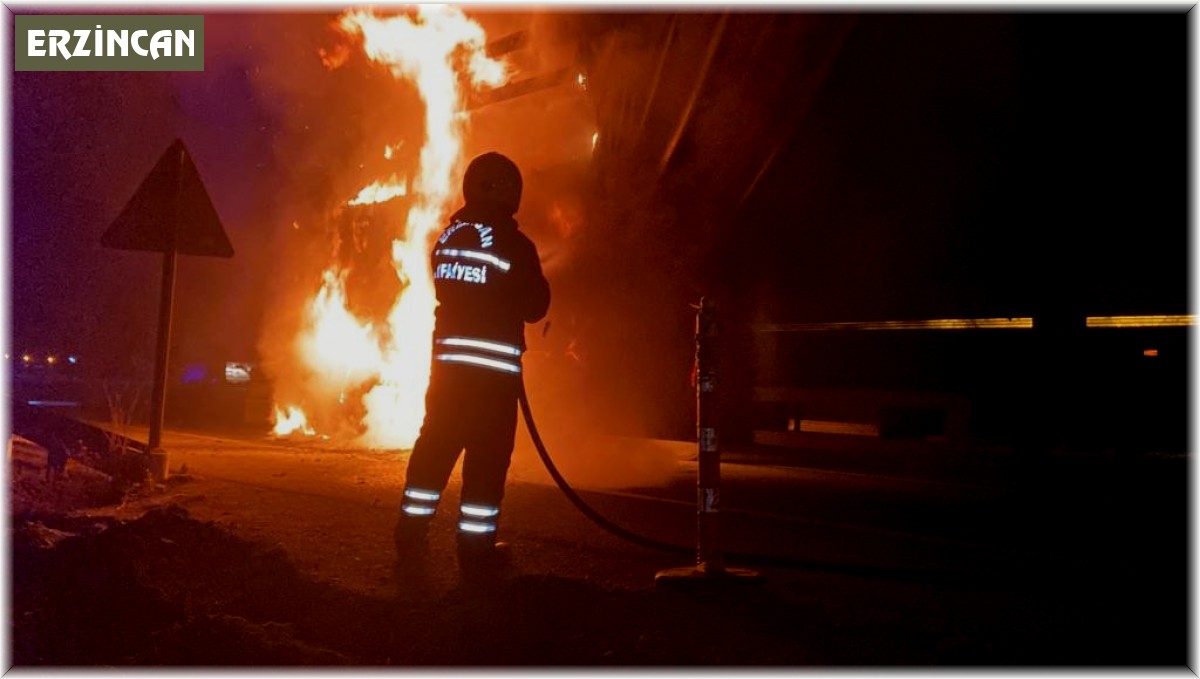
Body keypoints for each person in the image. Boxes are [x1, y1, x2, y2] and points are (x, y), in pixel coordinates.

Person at [396, 152, 550, 581]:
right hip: (491, 380)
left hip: (446, 375)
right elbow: (535, 306)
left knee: (433, 450)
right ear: (509, 192)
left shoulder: (446, 241)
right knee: (486, 463)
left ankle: (410, 533)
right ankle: (475, 550)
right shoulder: (514, 245)